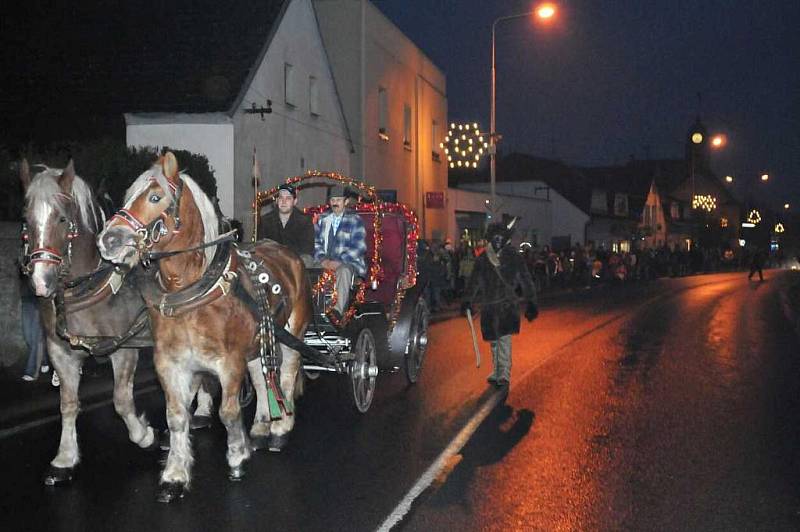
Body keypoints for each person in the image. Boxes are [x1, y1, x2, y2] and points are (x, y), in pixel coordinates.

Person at [461, 219, 538, 388]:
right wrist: (467, 300)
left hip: (506, 304)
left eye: (500, 237)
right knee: (493, 340)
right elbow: (474, 280)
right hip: (489, 305)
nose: (497, 240)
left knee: (504, 338)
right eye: (494, 237)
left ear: (505, 238)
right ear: (489, 238)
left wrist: (531, 301)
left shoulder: (513, 256)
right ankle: (496, 370)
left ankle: (504, 372)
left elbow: (525, 279)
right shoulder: (482, 259)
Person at [313, 184, 367, 318]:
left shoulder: (355, 220)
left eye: (338, 200)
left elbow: (358, 247)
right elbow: (315, 243)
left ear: (346, 201)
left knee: (344, 271)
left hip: (349, 263)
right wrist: (323, 260)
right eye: (332, 200)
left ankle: (337, 311)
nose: (334, 203)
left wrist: (338, 262)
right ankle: (311, 308)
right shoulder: (323, 219)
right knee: (306, 265)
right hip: (324, 261)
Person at [258, 183, 315, 265]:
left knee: (306, 260)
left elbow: (307, 250)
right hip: (273, 262)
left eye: (288, 198)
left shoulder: (305, 221)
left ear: (295, 201)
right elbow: (262, 246)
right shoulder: (266, 220)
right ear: (277, 201)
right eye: (281, 198)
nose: (284, 202)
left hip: (296, 262)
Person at [18, 266, 51, 383]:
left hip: (39, 302)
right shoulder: (23, 263)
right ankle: (45, 360)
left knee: (36, 337)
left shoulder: (40, 264)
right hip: (26, 301)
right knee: (28, 337)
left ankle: (31, 371)